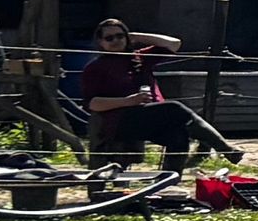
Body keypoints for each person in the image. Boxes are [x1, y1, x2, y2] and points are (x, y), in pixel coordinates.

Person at [79, 18, 240, 167]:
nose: (116, 41)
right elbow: (93, 104)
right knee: (175, 108)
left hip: (150, 115)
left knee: (179, 136)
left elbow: (174, 44)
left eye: (120, 36)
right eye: (109, 38)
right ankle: (225, 148)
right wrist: (128, 101)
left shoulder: (140, 57)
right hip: (119, 120)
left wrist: (137, 36)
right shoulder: (95, 67)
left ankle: (167, 183)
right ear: (100, 42)